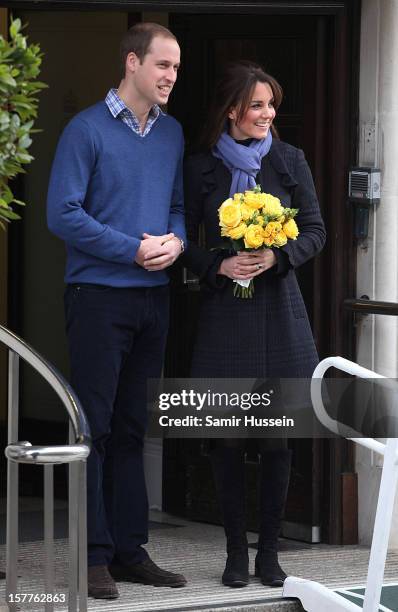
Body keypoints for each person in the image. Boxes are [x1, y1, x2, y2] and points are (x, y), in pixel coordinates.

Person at [47, 22, 187, 599]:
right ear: (132, 63)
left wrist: (176, 243)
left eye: (176, 68)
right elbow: (63, 215)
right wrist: (131, 249)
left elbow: (177, 206)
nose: (171, 77)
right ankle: (93, 556)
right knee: (94, 428)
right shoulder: (85, 131)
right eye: (162, 66)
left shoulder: (172, 133)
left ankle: (130, 550)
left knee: (133, 429)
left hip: (152, 300)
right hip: (98, 298)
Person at [182, 61, 326, 588]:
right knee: (225, 438)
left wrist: (277, 257)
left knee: (275, 439)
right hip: (224, 315)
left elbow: (315, 230)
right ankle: (234, 555)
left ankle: (269, 554)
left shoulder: (290, 160)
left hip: (280, 314)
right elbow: (181, 239)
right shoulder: (198, 166)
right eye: (257, 105)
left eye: (271, 105)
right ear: (231, 110)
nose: (267, 114)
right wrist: (217, 264)